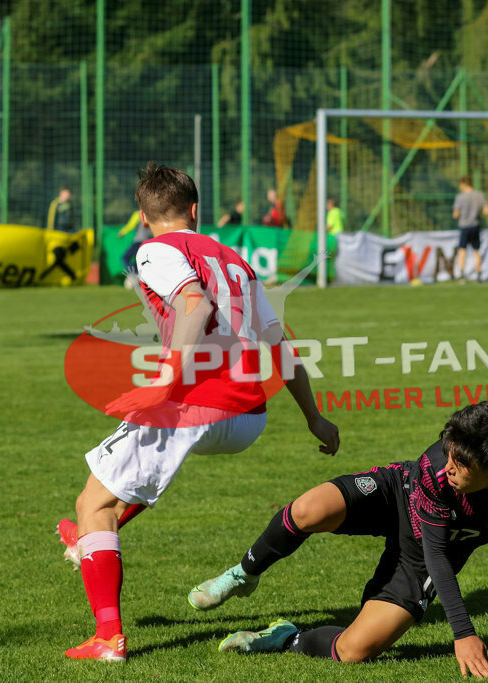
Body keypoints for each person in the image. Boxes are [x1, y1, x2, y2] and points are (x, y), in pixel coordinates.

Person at [59, 163, 340, 662]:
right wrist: (314, 418)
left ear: (144, 218)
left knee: (91, 505)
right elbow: (280, 344)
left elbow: (192, 302)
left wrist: (164, 380)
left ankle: (108, 638)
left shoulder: (156, 249)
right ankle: (96, 536)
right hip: (249, 417)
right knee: (112, 494)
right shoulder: (235, 258)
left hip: (195, 406)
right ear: (195, 210)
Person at [190, 402, 488, 679]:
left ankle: (286, 637)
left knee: (355, 652)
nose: (449, 466)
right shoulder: (435, 468)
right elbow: (434, 547)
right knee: (308, 509)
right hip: (399, 495)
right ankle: (243, 574)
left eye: (462, 463)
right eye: (449, 451)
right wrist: (463, 632)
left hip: (428, 554)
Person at [452, 176, 488, 283]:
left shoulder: (460, 197)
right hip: (475, 225)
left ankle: (461, 275)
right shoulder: (479, 195)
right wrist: (480, 214)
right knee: (476, 251)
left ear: (463, 184)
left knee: (462, 251)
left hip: (464, 226)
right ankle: (478, 275)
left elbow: (455, 214)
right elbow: (487, 210)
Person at [117, 210, 152, 289]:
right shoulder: (153, 214)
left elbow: (130, 225)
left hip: (139, 241)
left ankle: (134, 273)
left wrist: (122, 232)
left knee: (125, 257)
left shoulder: (138, 214)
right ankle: (137, 275)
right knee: (138, 261)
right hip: (148, 243)